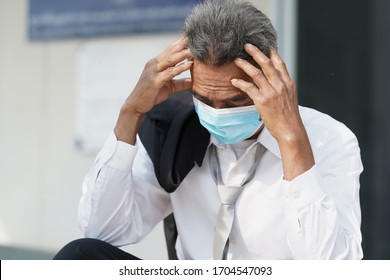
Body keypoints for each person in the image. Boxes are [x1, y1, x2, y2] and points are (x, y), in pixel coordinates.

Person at [54, 0, 363, 260]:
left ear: (271, 80)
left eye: (234, 102)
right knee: (81, 256)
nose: (217, 113)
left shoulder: (329, 139)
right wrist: (130, 114)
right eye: (203, 98)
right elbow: (103, 229)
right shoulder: (175, 127)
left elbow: (334, 265)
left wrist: (291, 141)